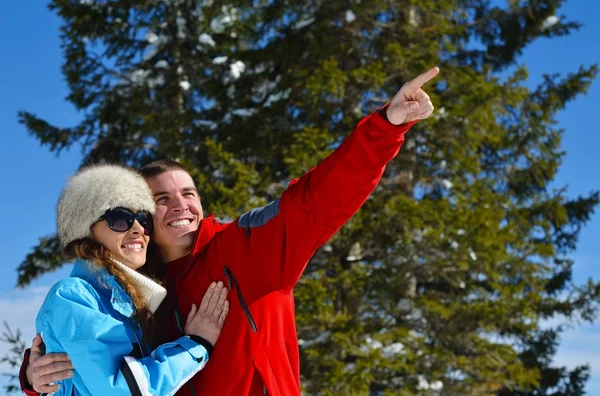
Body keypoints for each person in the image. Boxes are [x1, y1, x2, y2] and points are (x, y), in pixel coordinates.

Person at [21, 67, 439, 395]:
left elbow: (317, 199)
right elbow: (100, 371)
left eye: (189, 193)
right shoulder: (132, 294)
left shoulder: (246, 245)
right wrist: (36, 375)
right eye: (161, 199)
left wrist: (387, 124)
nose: (181, 205)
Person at [27, 164, 229, 395]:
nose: (137, 229)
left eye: (142, 219)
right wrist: (197, 343)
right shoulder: (73, 296)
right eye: (119, 219)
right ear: (86, 230)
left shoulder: (131, 301)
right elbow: (120, 389)